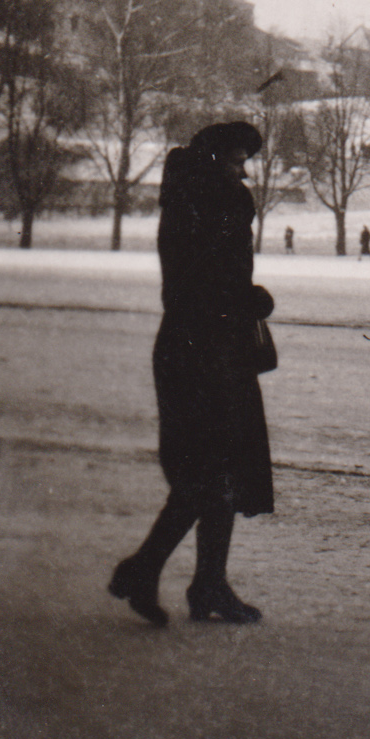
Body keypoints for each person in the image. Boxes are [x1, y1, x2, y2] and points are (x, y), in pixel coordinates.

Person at [109, 121, 274, 626]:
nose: (244, 171)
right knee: (207, 477)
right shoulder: (209, 204)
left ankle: (194, 581)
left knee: (214, 476)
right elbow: (202, 281)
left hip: (202, 349)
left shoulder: (193, 200)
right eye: (237, 160)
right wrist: (248, 299)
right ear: (216, 160)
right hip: (201, 353)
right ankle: (174, 577)